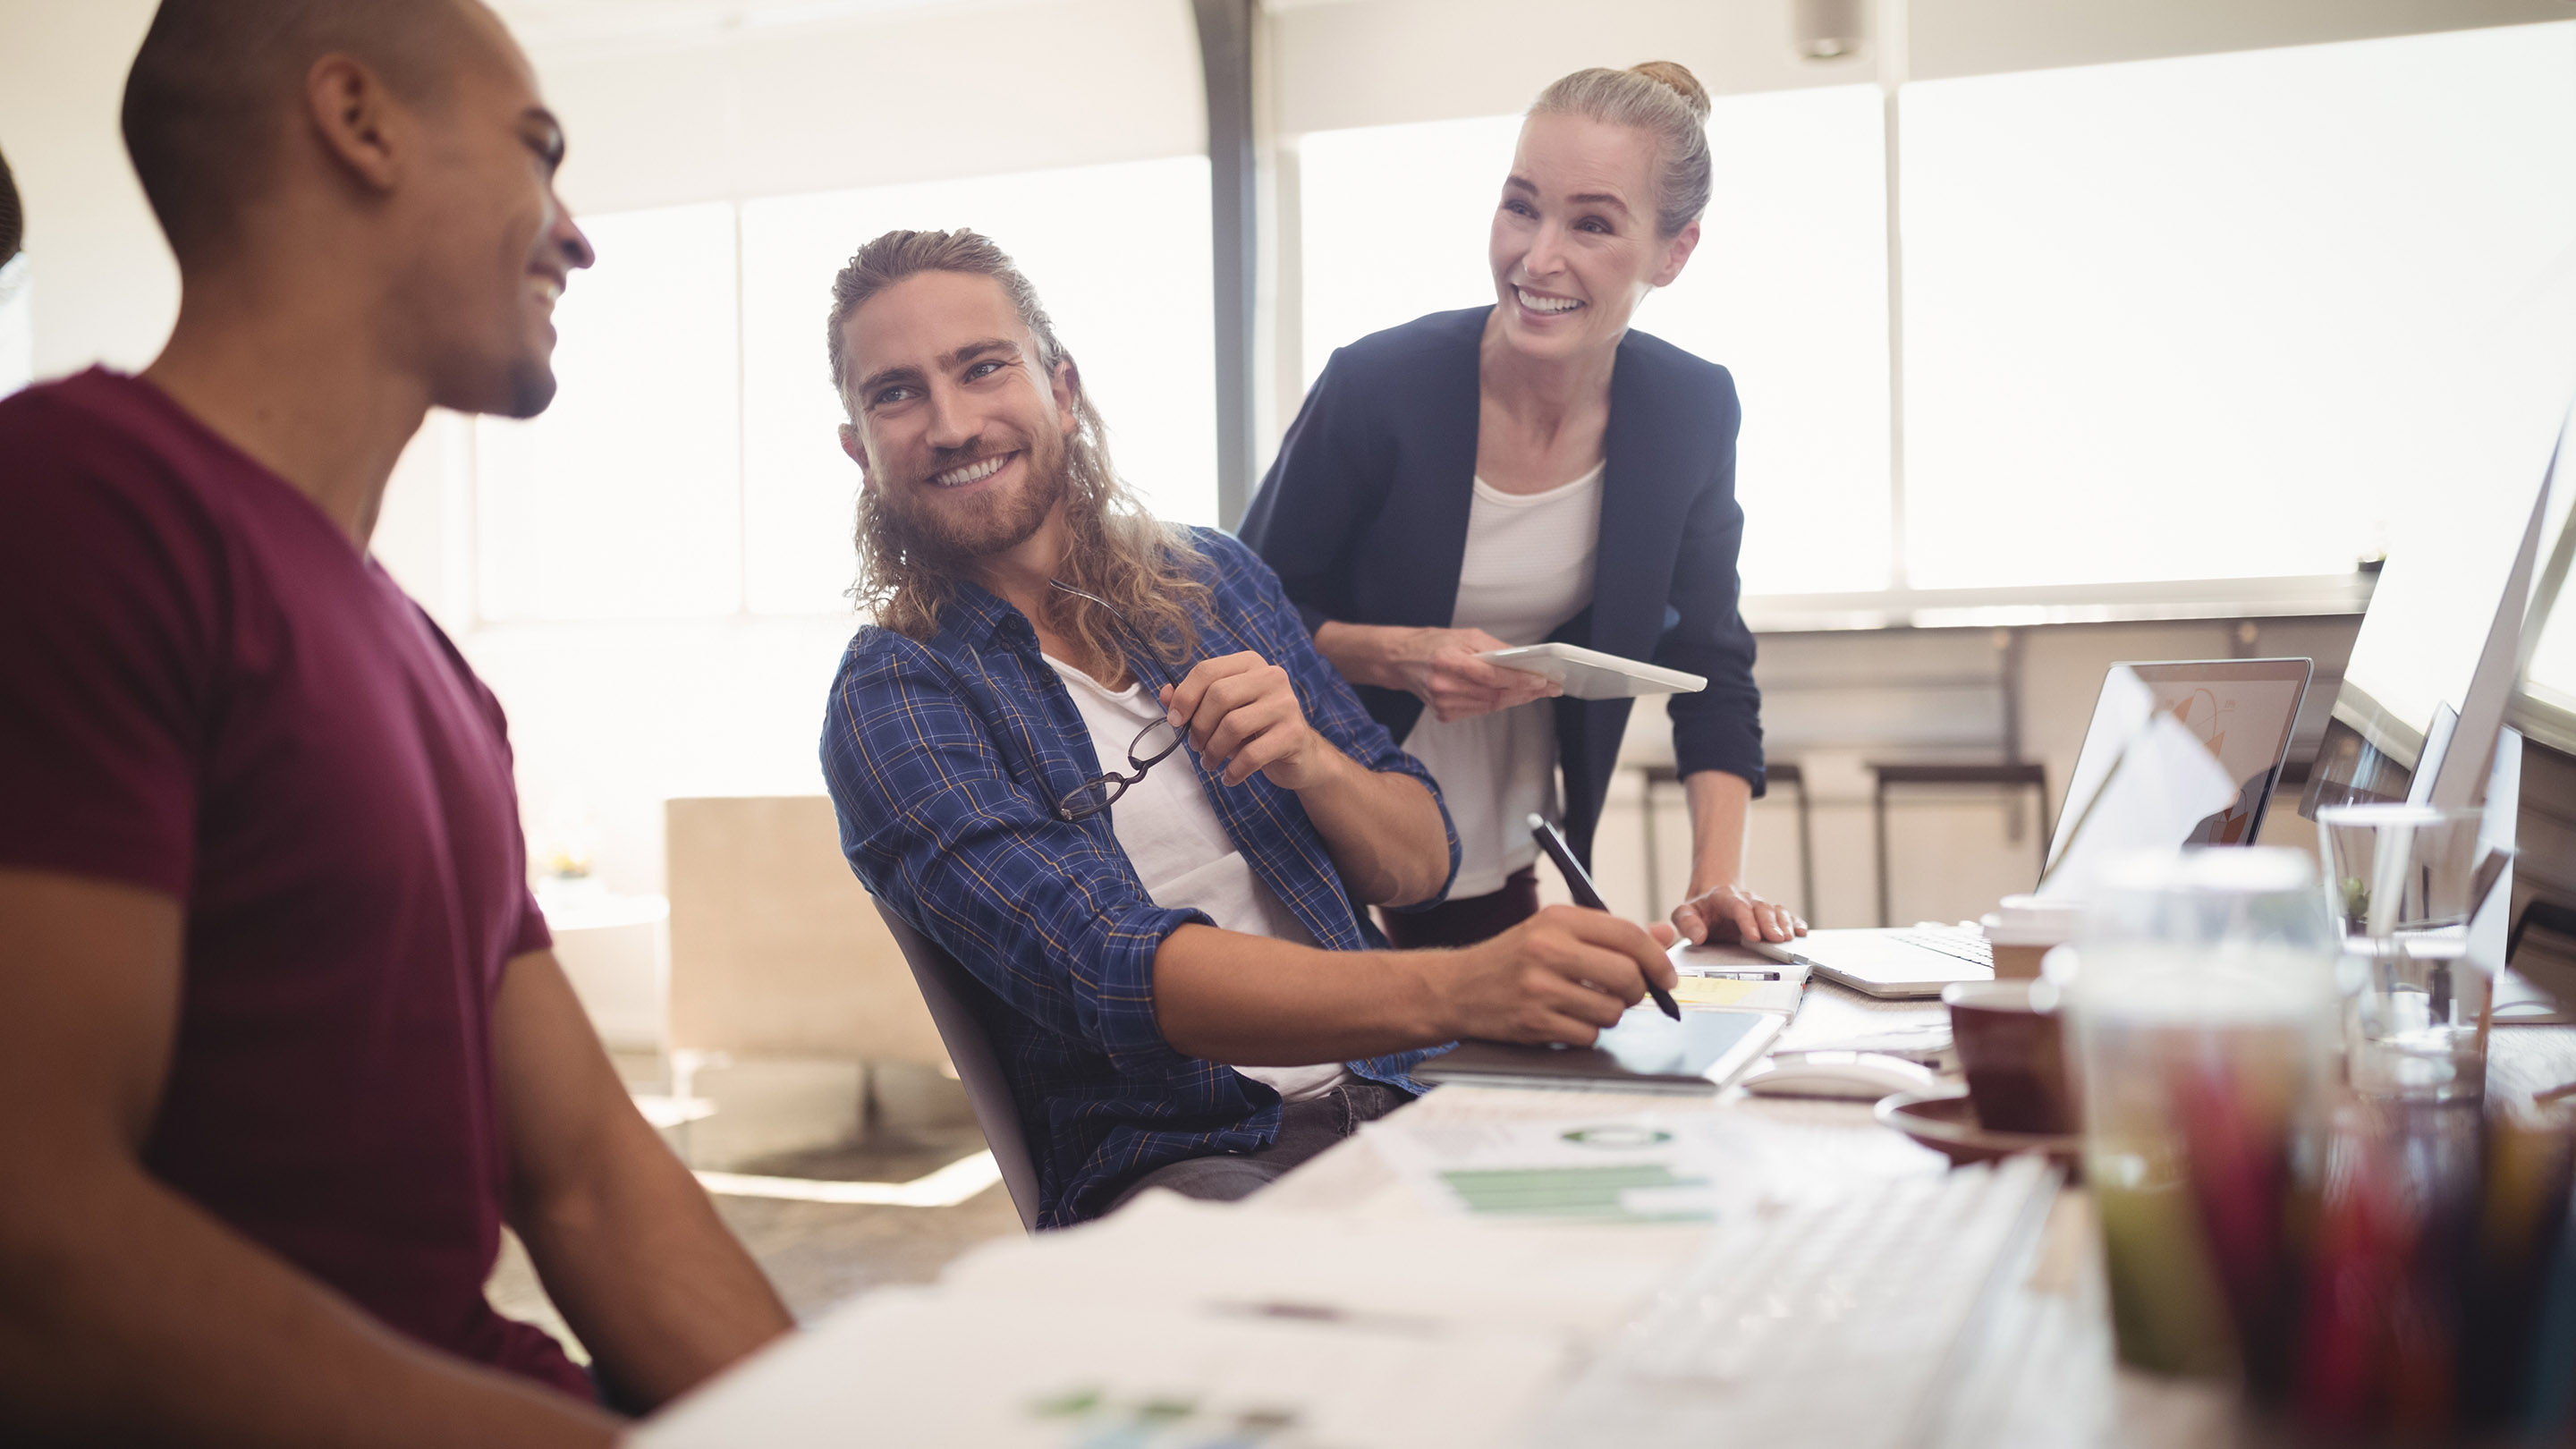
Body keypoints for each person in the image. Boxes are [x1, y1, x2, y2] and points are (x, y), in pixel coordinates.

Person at [0, 2, 793, 1443]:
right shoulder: (71, 508)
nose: (578, 234)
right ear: (357, 122)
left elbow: (589, 1179)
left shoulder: (427, 664)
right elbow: (31, 1246)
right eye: (535, 153)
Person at [818, 229, 1680, 1227]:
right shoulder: (895, 700)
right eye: (897, 393)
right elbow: (1116, 973)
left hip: (1405, 1099)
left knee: (1671, 1230)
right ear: (860, 450)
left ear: (1060, 389)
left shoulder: (1211, 581)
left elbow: (1421, 863)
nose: (955, 423)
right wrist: (1461, 989)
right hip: (1188, 1159)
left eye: (982, 368)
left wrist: (1313, 761)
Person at [1240, 61, 1806, 953]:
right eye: (1521, 207)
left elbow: (1711, 662)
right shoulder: (1378, 384)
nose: (1538, 258)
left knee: (1495, 1071)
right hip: (1312, 808)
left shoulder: (1690, 409)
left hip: (1491, 828)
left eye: (1591, 223)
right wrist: (1398, 655)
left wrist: (1714, 884)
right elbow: (1239, 620)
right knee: (1346, 1079)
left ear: (1674, 251)